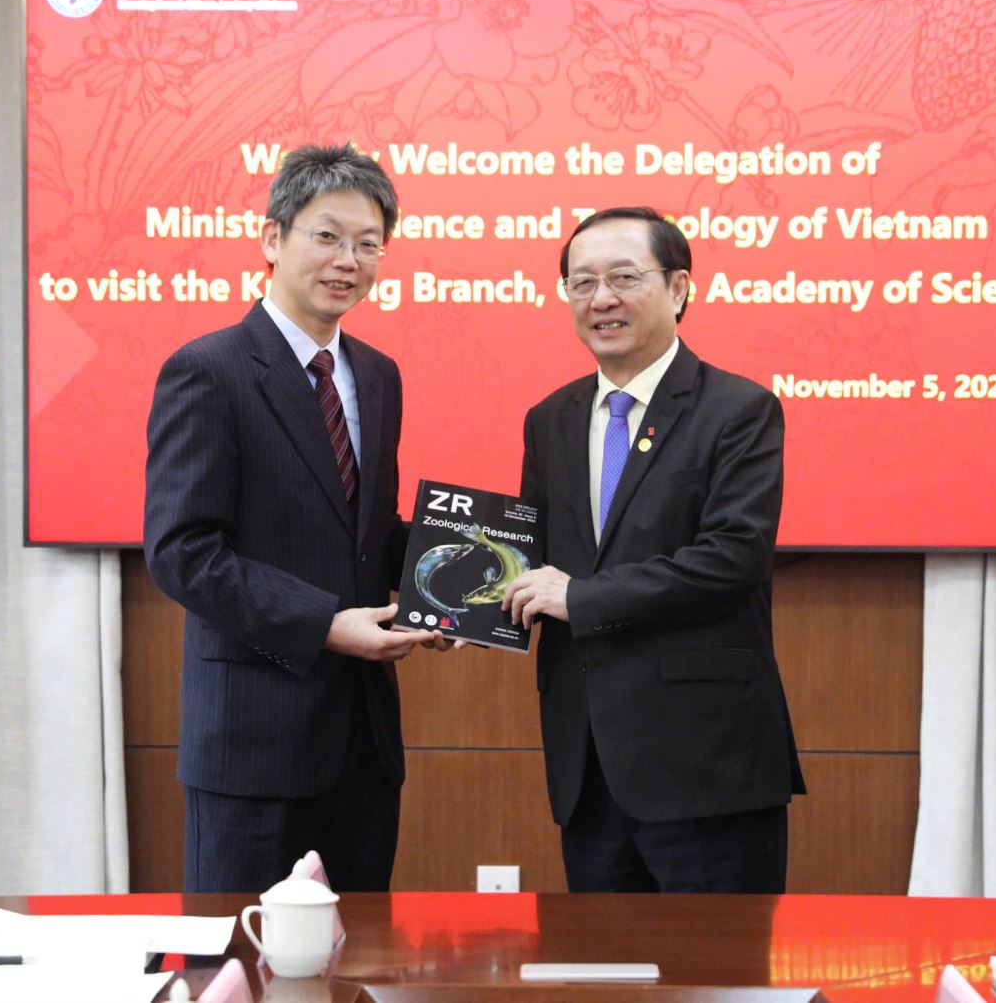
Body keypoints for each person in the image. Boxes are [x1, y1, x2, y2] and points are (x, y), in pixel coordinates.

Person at [144, 144, 435, 892]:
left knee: (357, 948)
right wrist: (325, 625)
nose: (349, 260)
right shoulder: (208, 369)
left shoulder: (378, 375)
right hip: (254, 745)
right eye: (328, 236)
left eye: (368, 244)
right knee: (247, 950)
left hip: (364, 744)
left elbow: (366, 533)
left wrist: (451, 587)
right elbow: (182, 552)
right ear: (273, 238)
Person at [501, 206, 805, 893]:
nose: (601, 299)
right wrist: (470, 607)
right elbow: (532, 556)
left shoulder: (738, 409)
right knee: (597, 959)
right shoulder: (550, 420)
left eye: (623, 278)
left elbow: (733, 556)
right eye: (582, 283)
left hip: (706, 765)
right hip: (588, 767)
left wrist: (580, 597)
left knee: (717, 961)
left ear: (678, 288)